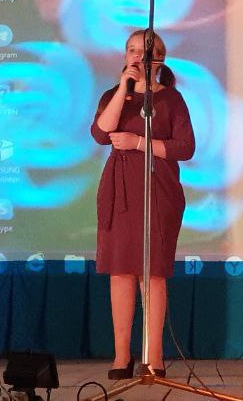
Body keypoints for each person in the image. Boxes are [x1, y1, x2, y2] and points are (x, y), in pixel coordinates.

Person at [90, 29, 195, 380]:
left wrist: (139, 142)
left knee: (152, 273)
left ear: (158, 59)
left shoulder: (171, 99)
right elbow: (100, 133)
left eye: (144, 50)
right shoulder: (113, 95)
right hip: (119, 190)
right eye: (131, 49)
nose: (137, 55)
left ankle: (154, 356)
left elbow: (185, 147)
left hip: (158, 190)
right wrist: (124, 88)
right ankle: (122, 356)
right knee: (120, 272)